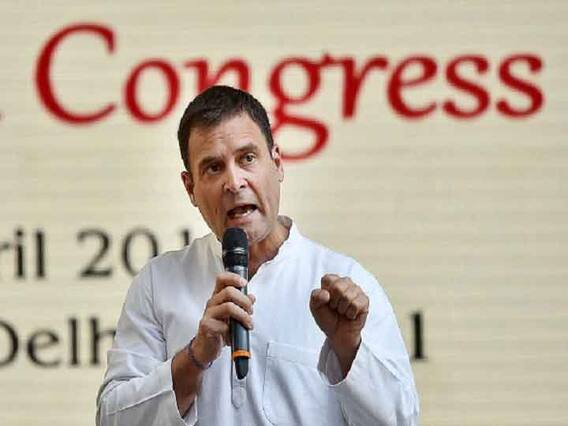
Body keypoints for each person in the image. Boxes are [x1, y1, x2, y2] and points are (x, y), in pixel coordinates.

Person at [96, 85, 419, 425]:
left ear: (277, 163)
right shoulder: (158, 282)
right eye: (213, 167)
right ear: (190, 188)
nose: (234, 182)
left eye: (247, 158)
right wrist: (195, 356)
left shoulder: (342, 284)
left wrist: (349, 347)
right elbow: (111, 418)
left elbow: (402, 421)